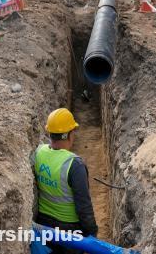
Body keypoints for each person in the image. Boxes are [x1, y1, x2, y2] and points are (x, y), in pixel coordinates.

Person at [32, 108, 98, 254]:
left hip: (44, 227)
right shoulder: (74, 165)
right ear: (69, 134)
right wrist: (92, 234)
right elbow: (84, 208)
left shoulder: (38, 152)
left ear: (50, 133)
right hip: (71, 233)